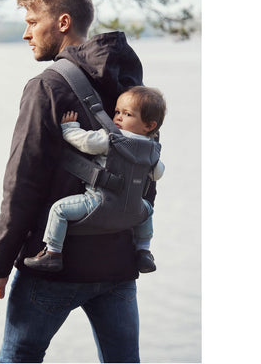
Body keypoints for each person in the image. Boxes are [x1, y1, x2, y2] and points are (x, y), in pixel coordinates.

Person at [0, 0, 158, 363]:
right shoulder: (129, 84)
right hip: (117, 261)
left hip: (54, 265)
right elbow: (145, 166)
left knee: (19, 356)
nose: (26, 33)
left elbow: (22, 183)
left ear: (63, 22)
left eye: (33, 22)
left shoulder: (46, 87)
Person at [24, 86, 166, 273]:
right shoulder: (152, 150)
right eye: (117, 112)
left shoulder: (112, 139)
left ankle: (52, 252)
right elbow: (157, 174)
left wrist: (69, 127)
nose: (118, 117)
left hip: (98, 202)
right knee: (147, 210)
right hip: (132, 208)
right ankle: (144, 251)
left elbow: (85, 142)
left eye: (127, 114)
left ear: (149, 126)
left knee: (59, 210)